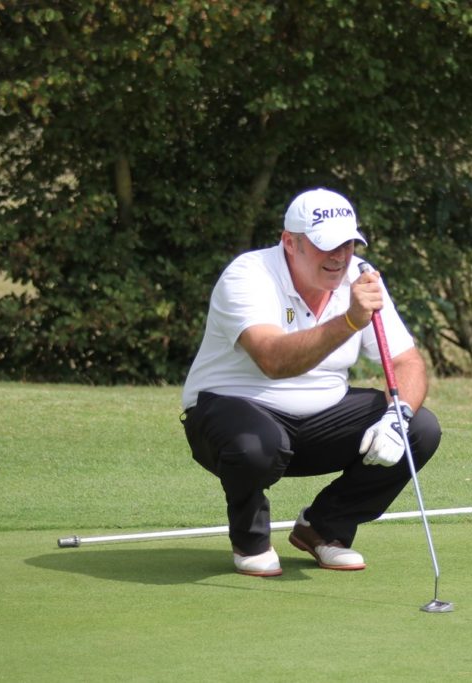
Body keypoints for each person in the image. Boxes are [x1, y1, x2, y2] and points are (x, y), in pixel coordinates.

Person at [180, 187, 442, 577]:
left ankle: (323, 528)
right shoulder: (248, 275)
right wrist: (349, 320)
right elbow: (273, 360)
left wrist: (397, 417)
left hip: (319, 423)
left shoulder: (360, 276)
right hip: (230, 416)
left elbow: (406, 361)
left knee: (418, 428)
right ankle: (250, 539)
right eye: (326, 246)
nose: (339, 256)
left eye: (348, 244)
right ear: (290, 243)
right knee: (256, 444)